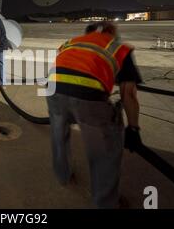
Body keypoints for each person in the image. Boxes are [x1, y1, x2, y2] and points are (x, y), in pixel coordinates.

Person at [47, 22, 142, 209]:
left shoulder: (71, 42)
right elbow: (128, 94)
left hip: (54, 90)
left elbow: (65, 64)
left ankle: (62, 175)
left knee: (58, 135)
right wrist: (133, 128)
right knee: (104, 152)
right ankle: (106, 203)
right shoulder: (118, 48)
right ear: (112, 33)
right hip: (88, 98)